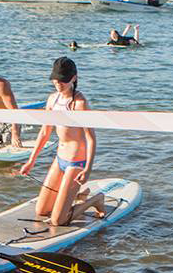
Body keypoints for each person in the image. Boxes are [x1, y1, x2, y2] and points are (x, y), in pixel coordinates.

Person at [19, 57, 107, 226]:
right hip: (59, 160)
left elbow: (91, 138)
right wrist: (31, 161)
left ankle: (95, 200)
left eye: (64, 80)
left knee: (58, 220)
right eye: (56, 80)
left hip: (76, 162)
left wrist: (88, 169)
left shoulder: (80, 103)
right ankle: (78, 194)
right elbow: (45, 132)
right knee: (41, 210)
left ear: (74, 78)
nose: (59, 84)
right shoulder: (52, 99)